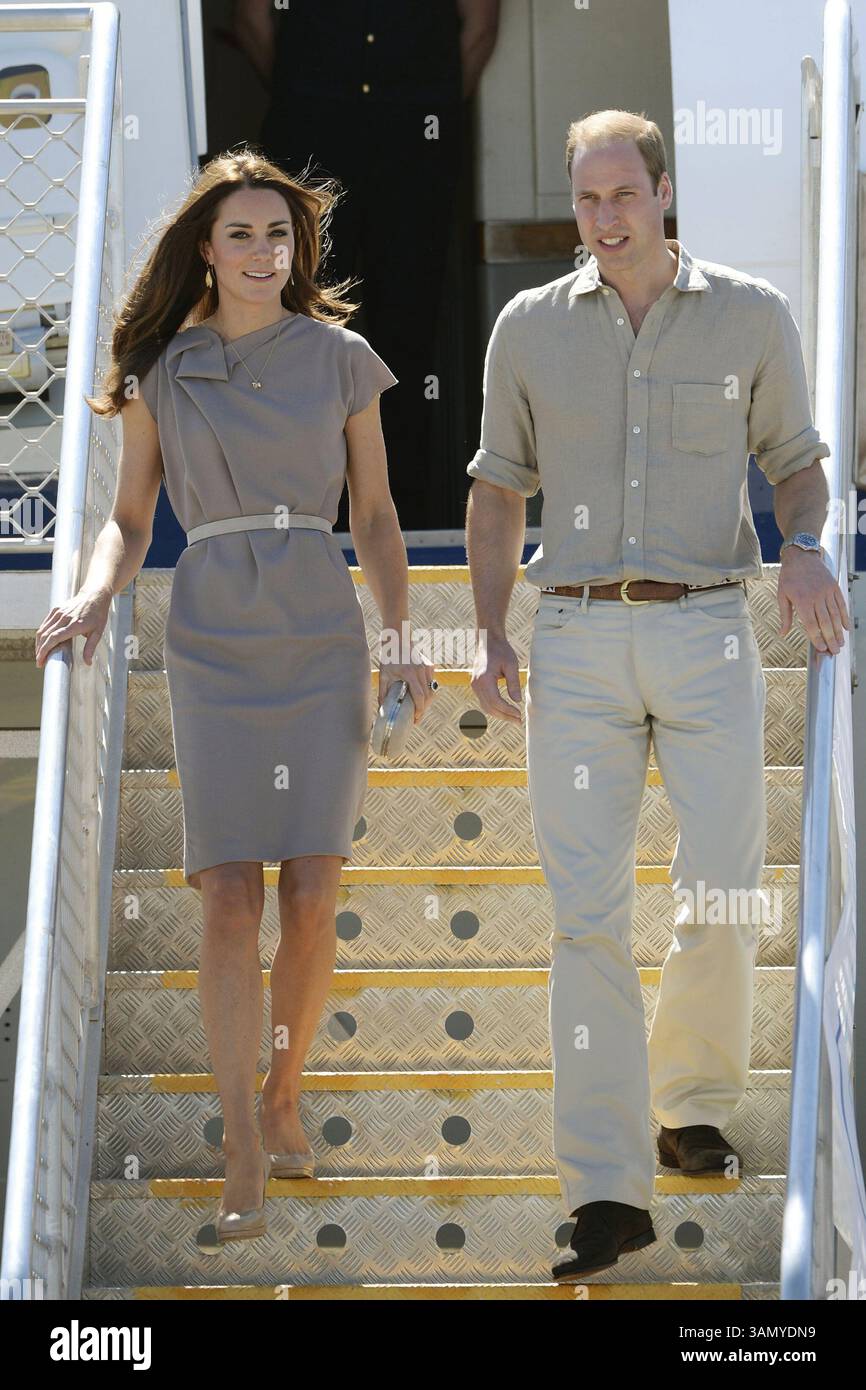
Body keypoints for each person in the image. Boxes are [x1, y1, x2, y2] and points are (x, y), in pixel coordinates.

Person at [465, 109, 849, 1282]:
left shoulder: (748, 314)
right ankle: (600, 1191)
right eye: (585, 200)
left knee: (724, 884)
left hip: (703, 627)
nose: (605, 218)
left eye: (623, 194)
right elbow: (494, 487)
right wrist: (487, 629)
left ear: (663, 192)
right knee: (584, 918)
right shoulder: (526, 329)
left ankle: (688, 1107)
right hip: (574, 635)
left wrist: (801, 544)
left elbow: (795, 459)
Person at [33, 148, 436, 1250]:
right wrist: (91, 595)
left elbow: (379, 516)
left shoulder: (341, 357)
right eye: (244, 235)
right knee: (225, 895)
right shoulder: (163, 366)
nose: (266, 253)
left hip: (315, 622)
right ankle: (239, 1139)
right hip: (210, 628)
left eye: (281, 235)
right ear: (204, 250)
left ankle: (282, 1087)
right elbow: (128, 517)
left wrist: (397, 639)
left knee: (312, 888)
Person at [231, 0, 501, 531]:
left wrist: (427, 112)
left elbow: (480, 28)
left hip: (415, 152)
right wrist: (308, 99)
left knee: (409, 336)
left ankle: (407, 521)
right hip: (311, 152)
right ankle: (310, 517)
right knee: (304, 333)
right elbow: (250, 21)